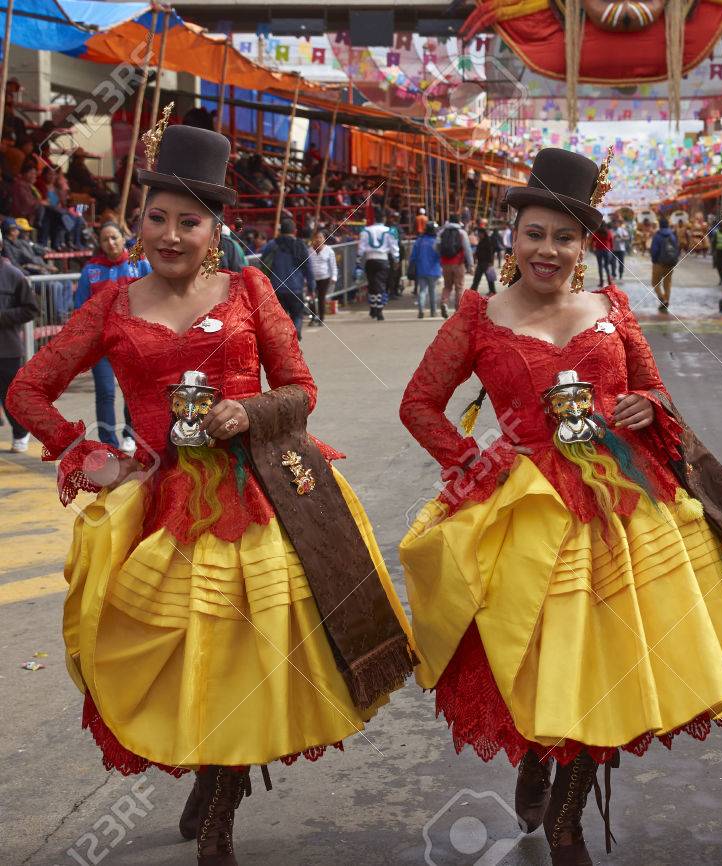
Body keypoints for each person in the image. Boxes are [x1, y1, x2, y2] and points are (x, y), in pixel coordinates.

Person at [398, 148, 722, 866]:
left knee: (608, 662)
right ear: (511, 235)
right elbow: (418, 405)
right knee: (537, 655)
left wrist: (646, 405)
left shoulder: (613, 308)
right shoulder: (478, 317)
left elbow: (657, 391)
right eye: (535, 234)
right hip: (522, 512)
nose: (549, 250)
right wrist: (472, 461)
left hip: (626, 507)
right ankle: (534, 755)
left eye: (565, 237)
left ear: (586, 245)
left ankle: (569, 820)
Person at [4, 121, 418, 866]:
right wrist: (86, 453)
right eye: (155, 217)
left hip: (263, 498)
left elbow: (301, 391)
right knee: (176, 652)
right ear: (138, 224)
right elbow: (26, 390)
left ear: (217, 229)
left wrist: (249, 411)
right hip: (162, 504)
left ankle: (221, 808)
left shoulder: (252, 289)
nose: (170, 234)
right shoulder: (110, 305)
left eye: (188, 221)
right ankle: (208, 772)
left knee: (249, 655)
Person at [73, 222, 151, 450]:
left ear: (122, 238)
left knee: (132, 391)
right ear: (100, 243)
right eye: (105, 239)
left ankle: (131, 434)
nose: (111, 243)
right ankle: (109, 443)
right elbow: (81, 308)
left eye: (114, 237)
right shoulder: (90, 270)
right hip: (102, 343)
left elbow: (157, 297)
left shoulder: (141, 264)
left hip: (133, 341)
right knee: (105, 393)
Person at [0, 253, 37, 451]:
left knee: (10, 397)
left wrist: (2, 317)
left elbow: (30, 309)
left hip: (6, 348)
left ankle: (21, 431)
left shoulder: (13, 275)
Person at [260, 217, 312, 338]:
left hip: (276, 287)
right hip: (296, 288)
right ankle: (295, 332)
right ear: (294, 231)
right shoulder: (300, 245)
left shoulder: (272, 244)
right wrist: (311, 286)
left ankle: (283, 339)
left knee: (279, 317)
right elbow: (308, 268)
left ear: (280, 231)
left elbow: (263, 264)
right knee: (297, 314)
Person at [360, 212, 399, 320]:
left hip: (369, 259)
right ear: (384, 218)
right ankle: (379, 310)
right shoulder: (390, 231)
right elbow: (394, 247)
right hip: (382, 259)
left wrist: (358, 260)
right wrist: (396, 259)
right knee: (381, 285)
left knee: (372, 284)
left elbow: (361, 247)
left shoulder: (366, 230)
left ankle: (373, 308)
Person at [437, 213, 473, 318]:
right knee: (459, 287)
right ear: (458, 221)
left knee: (447, 286)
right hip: (458, 263)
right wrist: (470, 264)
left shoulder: (442, 232)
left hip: (445, 263)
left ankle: (444, 302)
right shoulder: (462, 233)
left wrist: (441, 256)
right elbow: (467, 250)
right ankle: (458, 310)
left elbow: (436, 246)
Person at [408, 221, 443, 319]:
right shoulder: (437, 241)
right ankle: (433, 311)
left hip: (421, 269)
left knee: (422, 291)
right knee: (432, 291)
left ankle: (421, 310)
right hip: (434, 270)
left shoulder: (419, 241)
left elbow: (413, 256)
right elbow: (440, 255)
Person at [306, 230, 337, 328]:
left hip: (324, 277)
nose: (318, 239)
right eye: (316, 237)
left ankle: (321, 318)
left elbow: (333, 265)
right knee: (311, 298)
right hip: (312, 278)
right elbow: (306, 265)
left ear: (324, 239)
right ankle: (312, 317)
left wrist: (334, 276)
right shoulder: (309, 250)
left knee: (321, 298)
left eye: (320, 237)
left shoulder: (329, 250)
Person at [649, 216, 679, 313]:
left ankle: (662, 299)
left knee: (655, 283)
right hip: (670, 262)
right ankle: (667, 300)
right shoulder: (672, 235)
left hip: (658, 262)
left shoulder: (657, 235)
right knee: (668, 283)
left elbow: (654, 250)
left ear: (660, 225)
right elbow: (676, 249)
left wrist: (654, 260)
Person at [471, 224, 499, 295]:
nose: (478, 235)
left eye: (479, 234)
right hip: (480, 263)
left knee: (490, 279)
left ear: (483, 234)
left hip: (487, 263)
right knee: (477, 279)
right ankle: (472, 292)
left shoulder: (488, 241)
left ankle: (492, 291)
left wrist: (491, 263)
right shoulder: (481, 241)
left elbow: (491, 253)